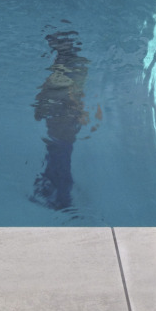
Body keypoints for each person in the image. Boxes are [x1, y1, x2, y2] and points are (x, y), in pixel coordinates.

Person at [32, 29, 101, 210]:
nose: (51, 44)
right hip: (60, 120)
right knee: (56, 154)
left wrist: (41, 105)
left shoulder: (71, 66)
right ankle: (49, 188)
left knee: (60, 156)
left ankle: (62, 201)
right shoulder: (72, 65)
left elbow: (62, 91)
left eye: (55, 41)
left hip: (63, 121)